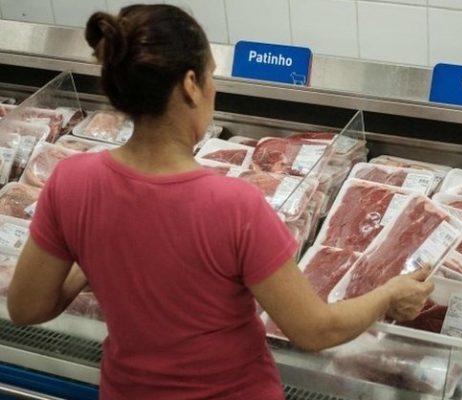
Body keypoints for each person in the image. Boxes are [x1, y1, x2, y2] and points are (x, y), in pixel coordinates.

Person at [6, 5, 433, 399]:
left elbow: (26, 307)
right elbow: (314, 331)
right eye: (211, 75)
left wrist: (90, 262)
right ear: (191, 85)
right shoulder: (234, 206)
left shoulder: (72, 181)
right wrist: (388, 296)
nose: (214, 88)